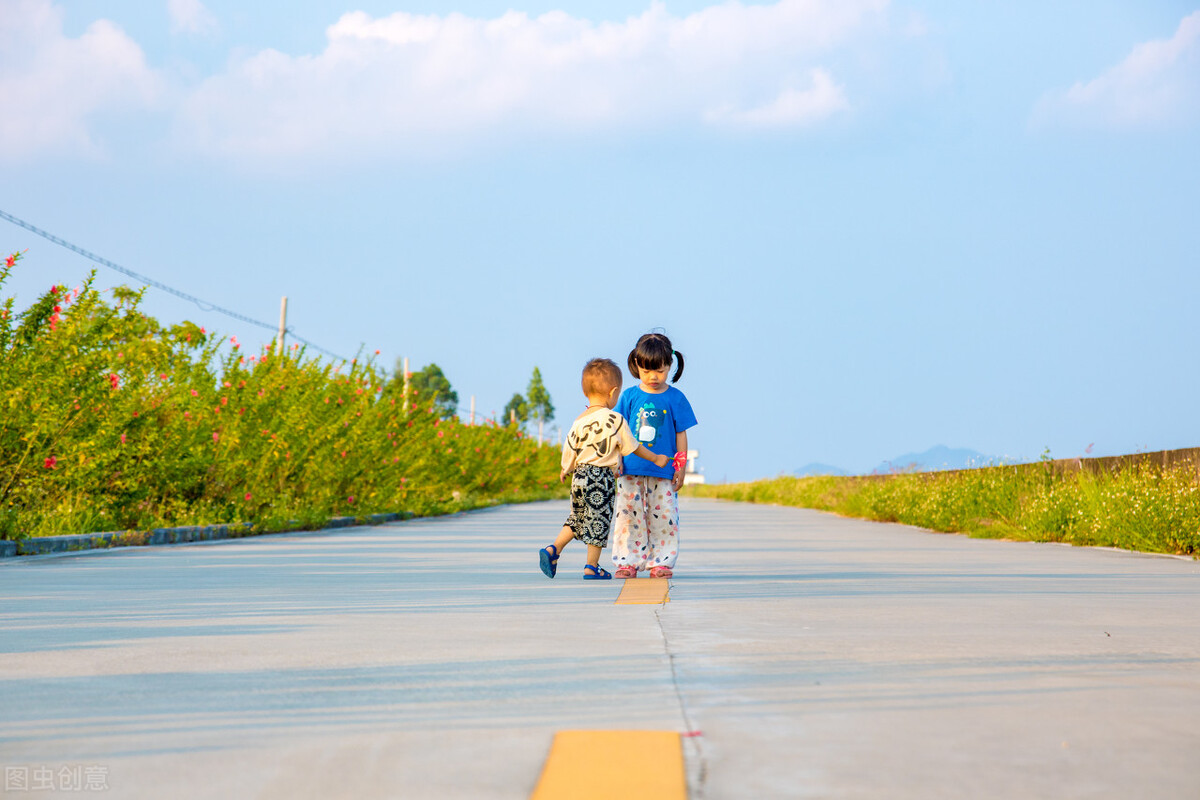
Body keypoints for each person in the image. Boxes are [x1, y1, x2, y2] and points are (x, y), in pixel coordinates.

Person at [539, 358, 669, 580]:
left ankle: (554, 549)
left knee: (578, 517)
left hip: (579, 476)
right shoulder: (615, 419)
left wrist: (565, 468)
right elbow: (633, 447)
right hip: (601, 477)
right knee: (599, 520)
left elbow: (570, 447)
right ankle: (592, 566)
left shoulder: (579, 420)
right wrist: (656, 458)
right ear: (613, 392)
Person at [611, 333, 697, 578]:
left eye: (659, 371)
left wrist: (680, 466)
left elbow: (681, 435)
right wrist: (616, 459)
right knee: (628, 516)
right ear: (637, 365)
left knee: (664, 517)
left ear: (670, 364)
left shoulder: (676, 398)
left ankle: (661, 561)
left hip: (663, 471)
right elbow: (618, 431)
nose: (653, 377)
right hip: (629, 469)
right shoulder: (628, 397)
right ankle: (627, 561)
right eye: (647, 371)